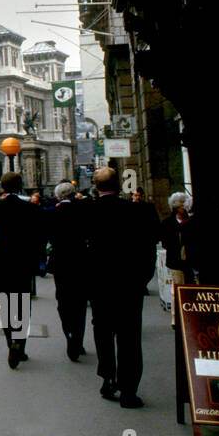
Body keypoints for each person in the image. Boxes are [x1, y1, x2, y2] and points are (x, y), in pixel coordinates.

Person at [86, 167, 159, 408]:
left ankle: (107, 378)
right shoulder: (138, 211)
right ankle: (128, 392)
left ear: (97, 187)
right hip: (129, 285)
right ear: (118, 184)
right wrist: (142, 279)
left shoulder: (87, 211)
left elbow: (80, 252)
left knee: (103, 332)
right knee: (129, 337)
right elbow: (150, 248)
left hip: (99, 286)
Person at [0, 172, 43, 369]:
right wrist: (39, 260)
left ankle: (10, 343)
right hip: (24, 262)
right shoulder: (31, 208)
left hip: (3, 261)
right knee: (22, 304)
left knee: (4, 303)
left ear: (3, 187)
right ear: (20, 186)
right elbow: (39, 237)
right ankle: (20, 346)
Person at [46, 181, 90, 361]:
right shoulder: (83, 212)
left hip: (60, 264)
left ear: (58, 196)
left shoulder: (52, 214)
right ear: (73, 194)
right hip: (80, 262)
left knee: (63, 301)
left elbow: (47, 237)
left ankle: (69, 334)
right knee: (80, 302)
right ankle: (78, 340)